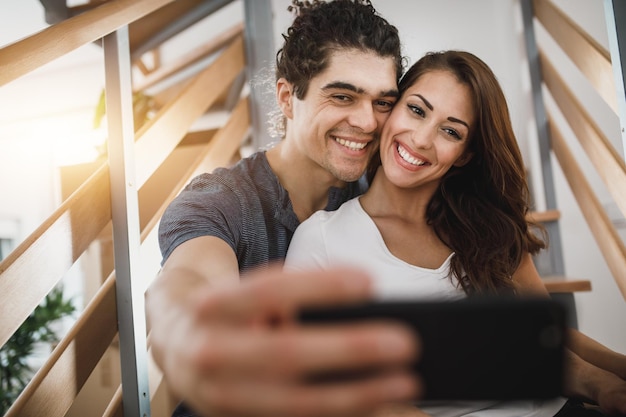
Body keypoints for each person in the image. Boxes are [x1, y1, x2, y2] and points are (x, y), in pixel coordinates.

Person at [284, 50, 626, 416]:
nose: (421, 139)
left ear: (464, 154)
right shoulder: (321, 239)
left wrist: (605, 380)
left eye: (451, 131)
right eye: (417, 110)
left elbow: (544, 338)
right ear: (392, 109)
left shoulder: (484, 227)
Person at [146, 1, 423, 416]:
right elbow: (186, 284)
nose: (367, 122)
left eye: (382, 102)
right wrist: (192, 334)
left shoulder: (380, 189)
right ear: (288, 98)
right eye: (343, 96)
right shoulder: (221, 200)